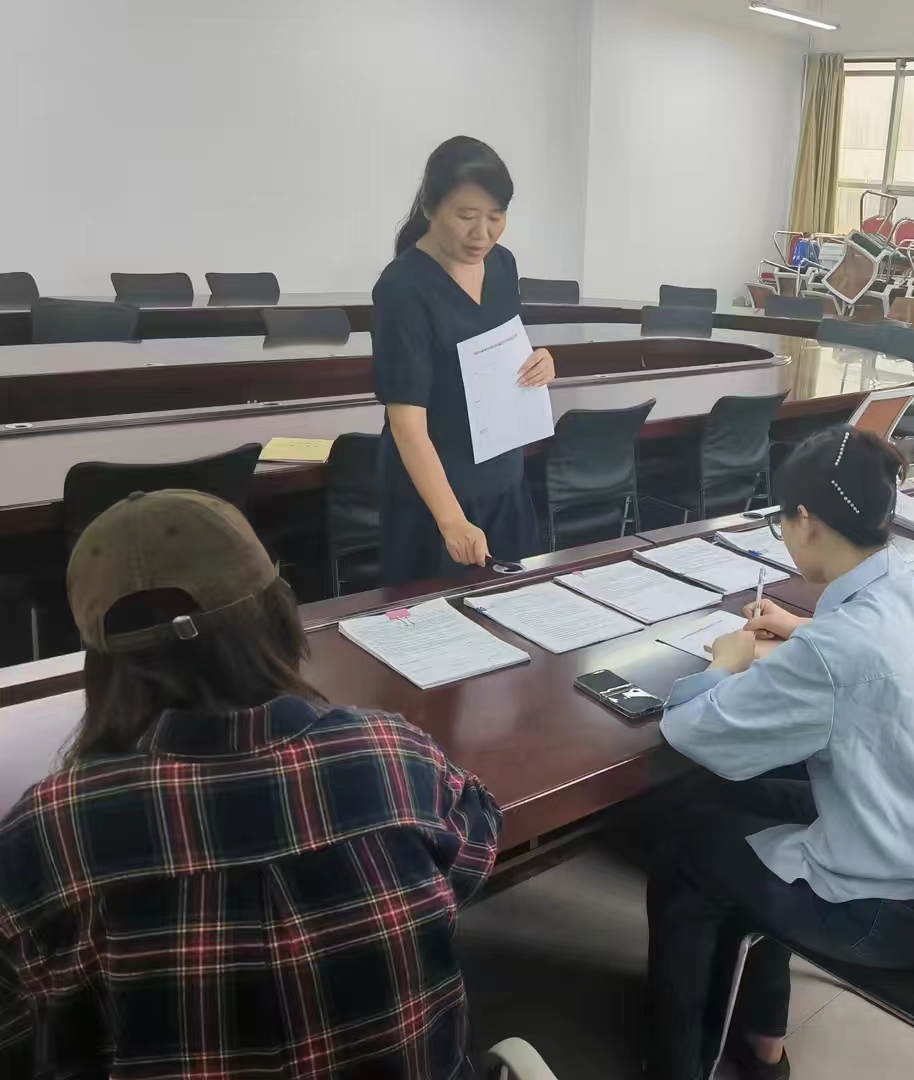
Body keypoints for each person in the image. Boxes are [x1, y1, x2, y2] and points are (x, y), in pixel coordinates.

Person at [0, 490, 502, 1079]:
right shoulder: (393, 756)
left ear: (100, 660)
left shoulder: (51, 831)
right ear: (278, 611)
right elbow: (475, 850)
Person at [648, 427, 914, 1080]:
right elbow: (872, 650)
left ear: (807, 522)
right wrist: (800, 635)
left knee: (688, 846)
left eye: (781, 523)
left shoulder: (837, 650)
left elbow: (697, 731)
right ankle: (762, 1041)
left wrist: (726, 663)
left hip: (895, 909)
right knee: (731, 801)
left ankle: (677, 1067)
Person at [375, 135, 555, 585]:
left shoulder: (503, 265)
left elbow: (507, 348)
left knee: (523, 612)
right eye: (466, 216)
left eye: (496, 217)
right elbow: (406, 423)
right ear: (430, 208)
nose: (483, 234)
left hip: (505, 482)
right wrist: (451, 519)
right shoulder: (403, 288)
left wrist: (540, 361)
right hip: (437, 501)